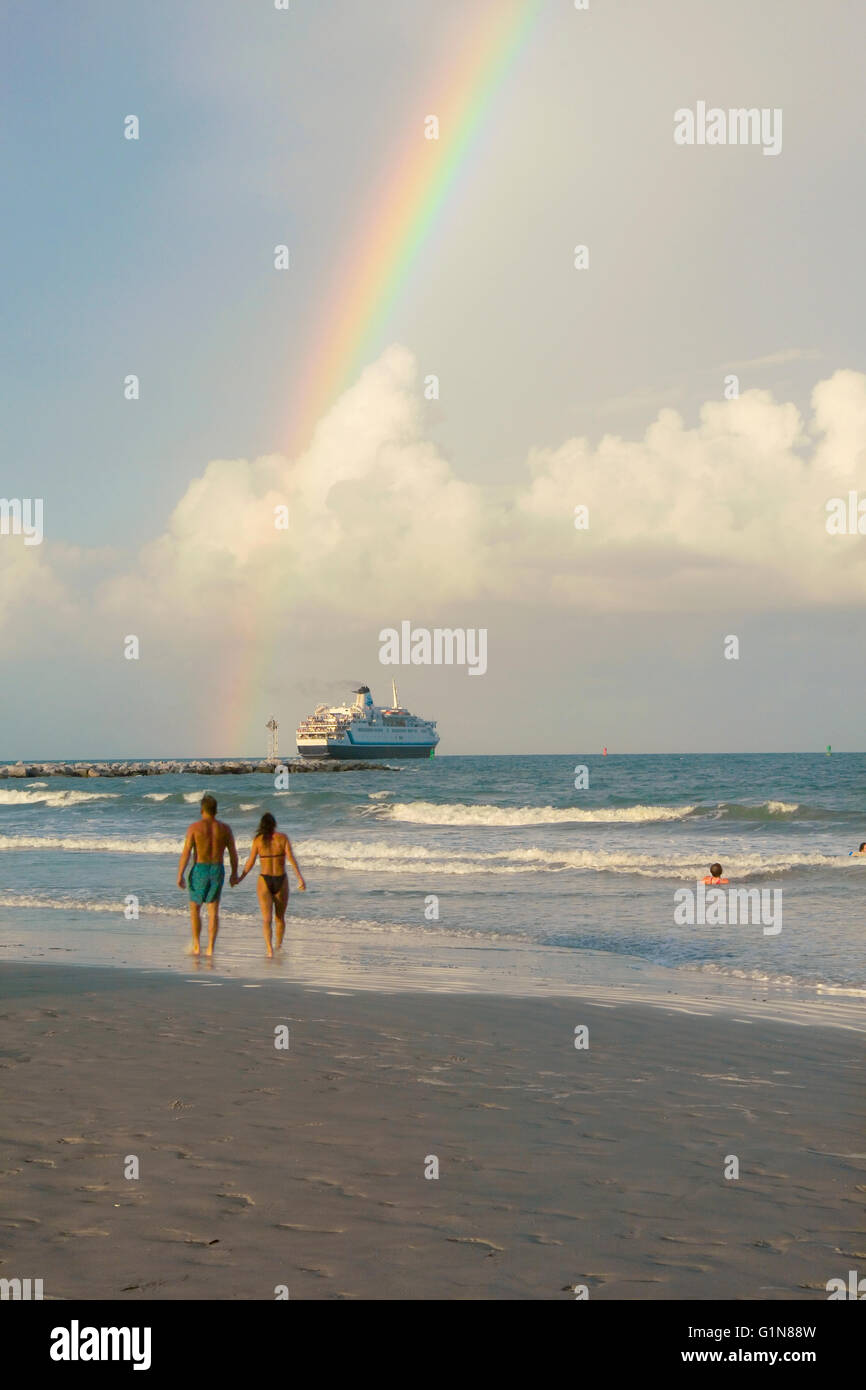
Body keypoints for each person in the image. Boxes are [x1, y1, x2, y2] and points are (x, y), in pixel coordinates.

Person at [177, 793, 239, 957]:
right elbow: (233, 854)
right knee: (213, 911)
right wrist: (234, 874)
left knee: (195, 909)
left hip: (200, 869)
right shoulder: (225, 829)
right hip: (217, 869)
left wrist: (180, 874)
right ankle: (210, 948)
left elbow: (186, 854)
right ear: (216, 811)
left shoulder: (194, 828)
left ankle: (197, 945)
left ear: (201, 810)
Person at [237, 812, 306, 957]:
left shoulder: (258, 840)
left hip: (264, 880)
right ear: (274, 824)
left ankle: (269, 950)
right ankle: (278, 946)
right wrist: (300, 878)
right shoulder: (282, 838)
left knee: (266, 919)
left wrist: (240, 878)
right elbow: (292, 859)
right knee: (280, 918)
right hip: (281, 879)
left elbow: (250, 862)